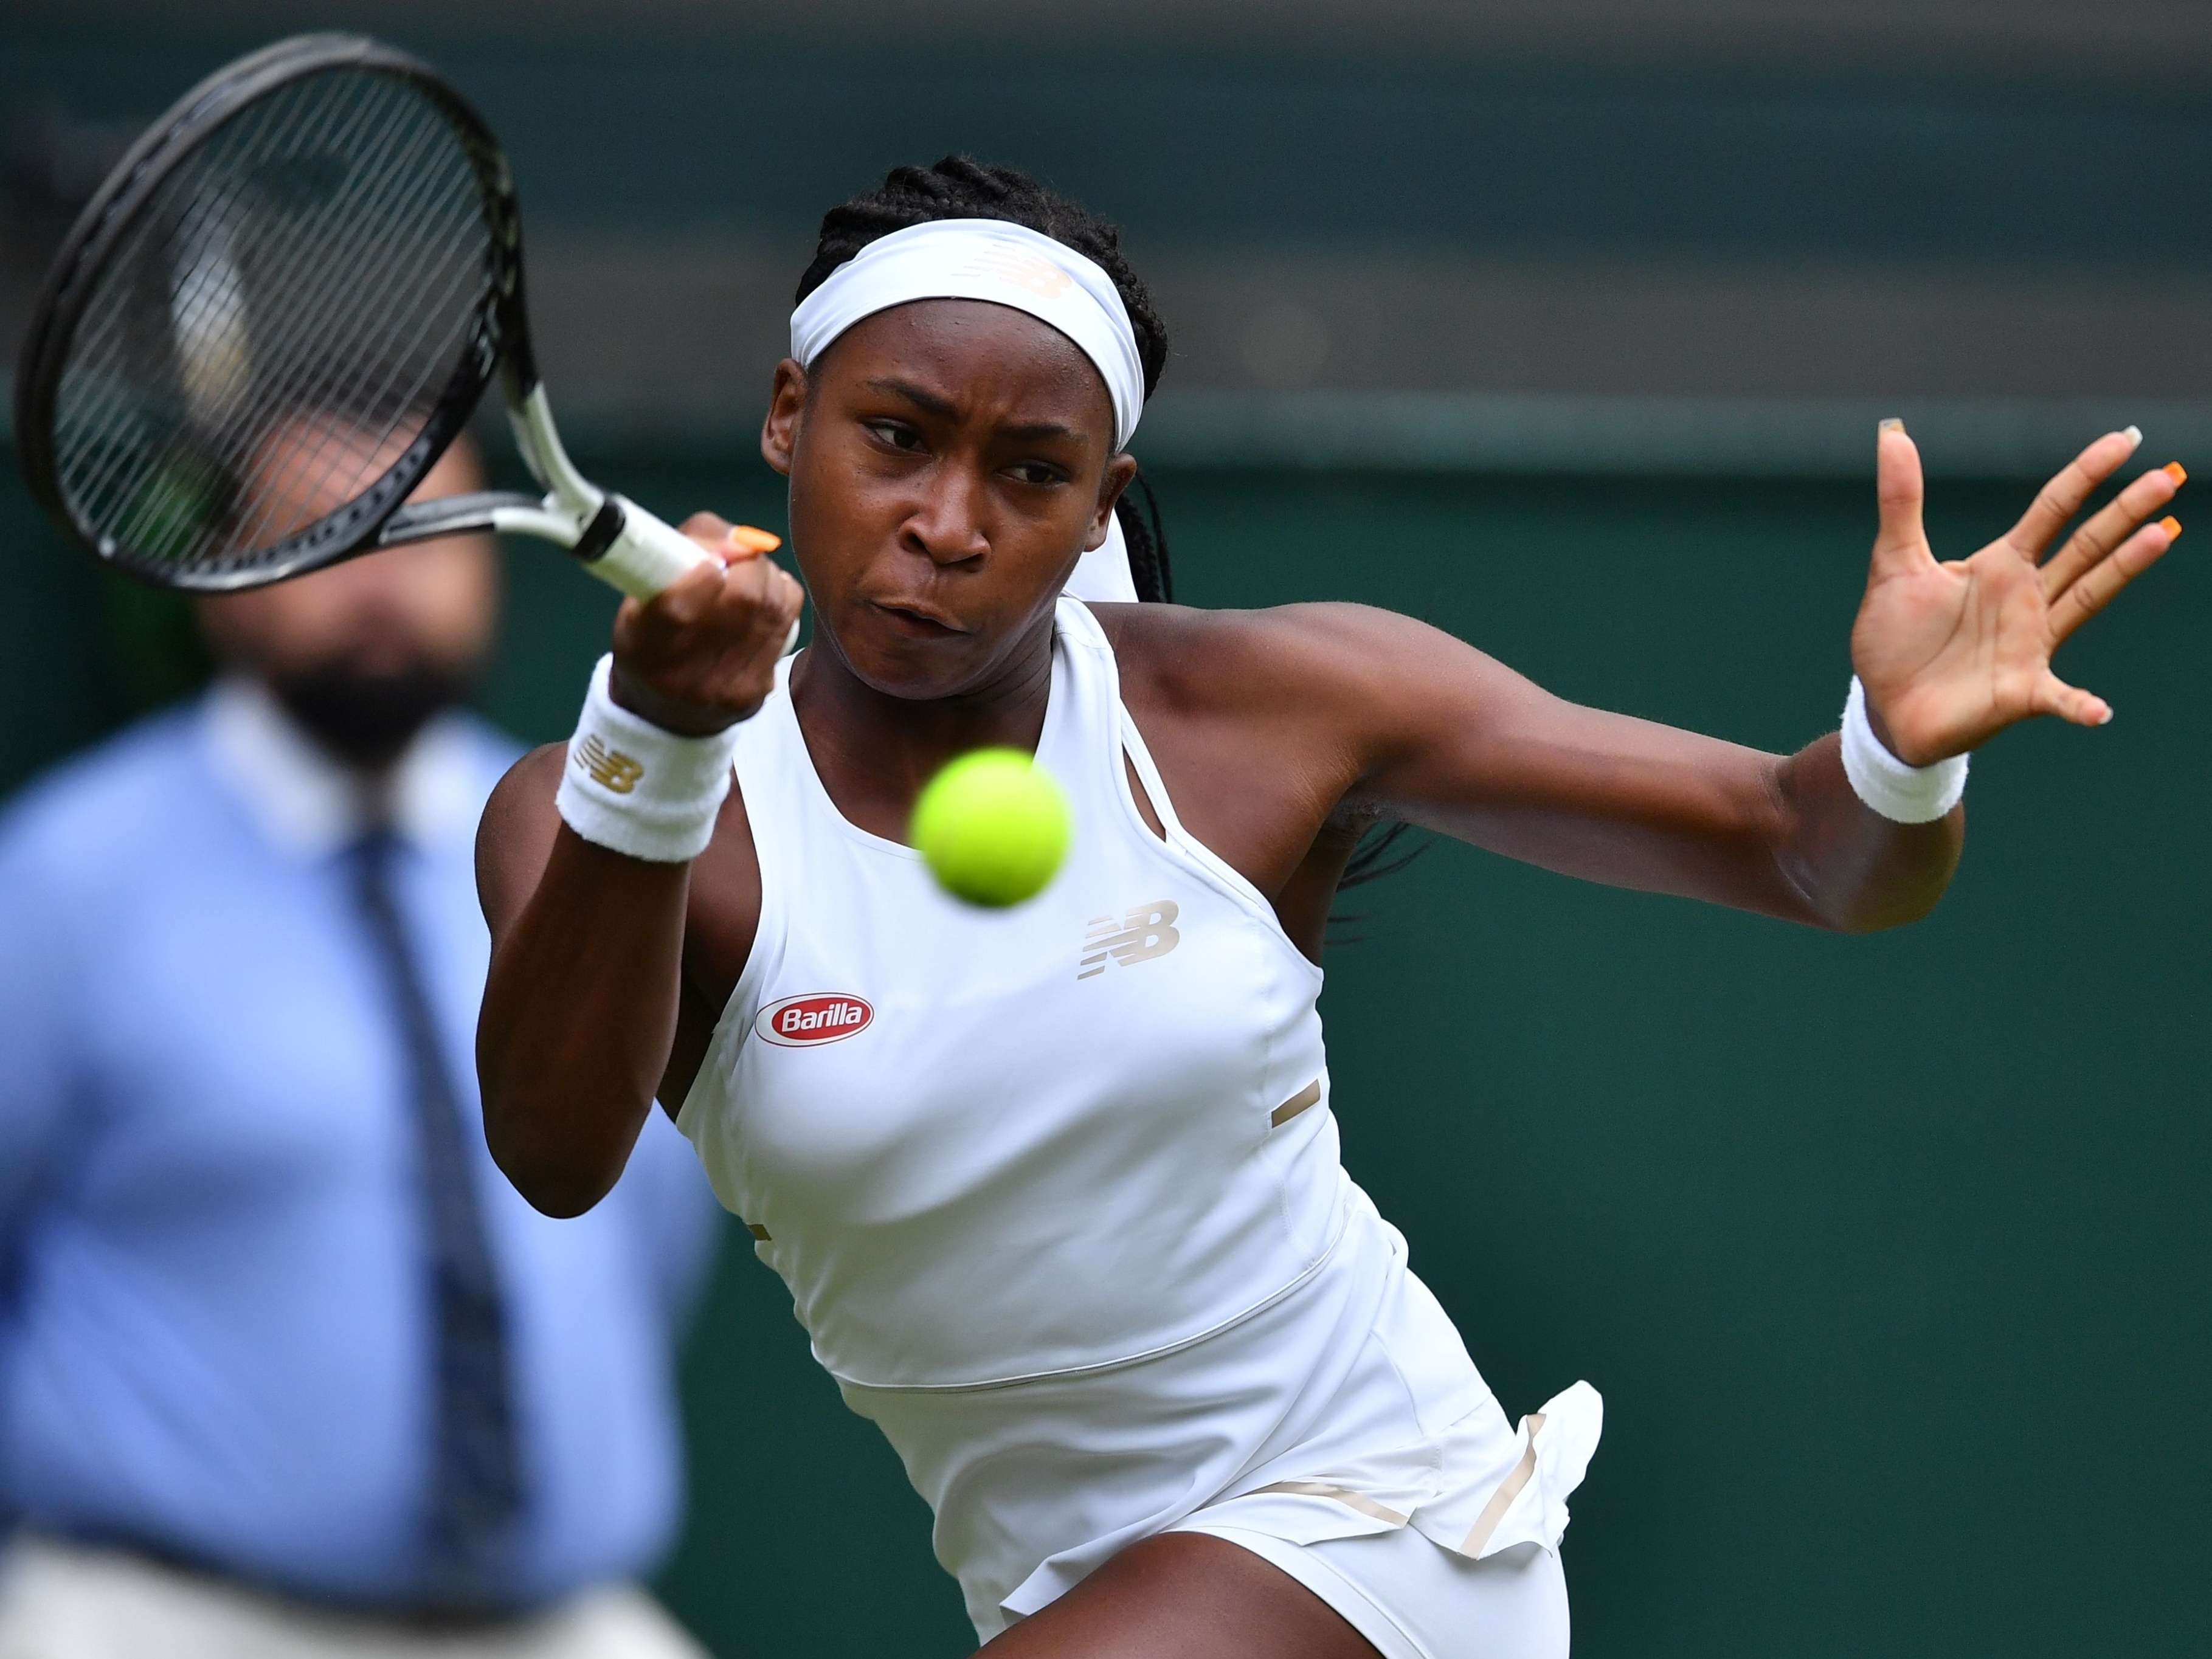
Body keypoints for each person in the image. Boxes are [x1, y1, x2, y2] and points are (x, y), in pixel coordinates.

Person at [472, 157, 2185, 1659]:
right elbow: (556, 1155)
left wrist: (1890, 748)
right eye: (895, 439)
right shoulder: (599, 806)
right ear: (788, 416)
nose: (945, 523)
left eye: (1030, 475)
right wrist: (658, 743)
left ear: (1096, 507)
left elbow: (1808, 849)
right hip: (1061, 1594)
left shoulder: (1259, 707)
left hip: (1377, 1534)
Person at [0, 433, 724, 1658]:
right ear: (230, 575)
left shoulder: (591, 856)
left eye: (426, 535)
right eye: (325, 532)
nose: (379, 578)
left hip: (558, 1622)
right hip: (155, 1617)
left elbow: (647, 1232)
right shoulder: (67, 875)